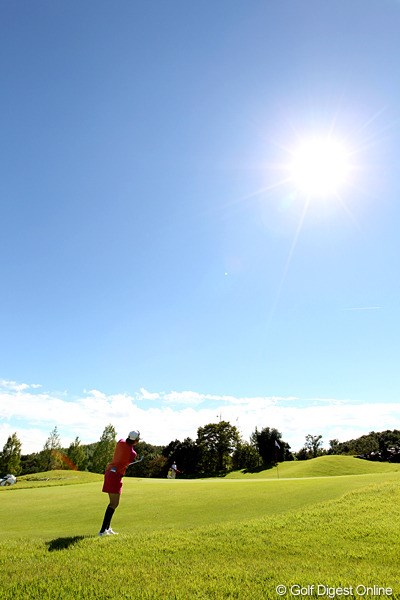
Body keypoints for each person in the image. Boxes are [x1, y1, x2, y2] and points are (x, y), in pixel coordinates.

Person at [98, 430, 140, 537]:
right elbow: (130, 457)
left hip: (110, 473)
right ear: (136, 440)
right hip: (115, 476)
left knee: (113, 503)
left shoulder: (120, 442)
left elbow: (124, 446)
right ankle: (102, 531)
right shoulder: (133, 453)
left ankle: (107, 528)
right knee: (114, 503)